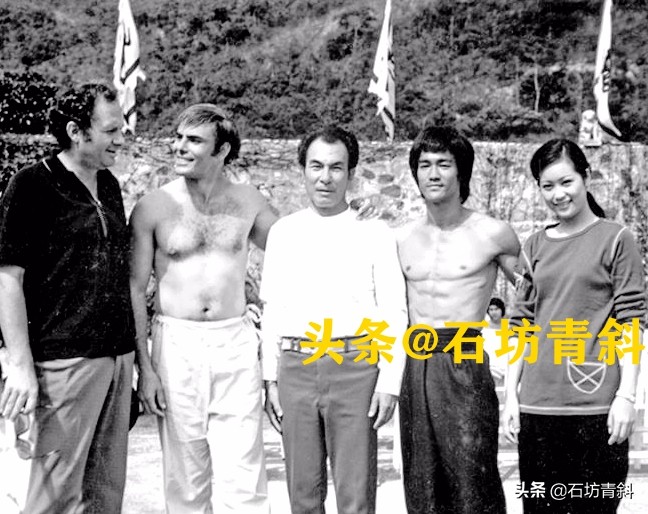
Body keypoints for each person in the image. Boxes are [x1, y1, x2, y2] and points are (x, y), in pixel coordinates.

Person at [129, 103, 276, 513]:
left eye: (193, 140)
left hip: (234, 344)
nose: (179, 147)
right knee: (186, 480)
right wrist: (146, 368)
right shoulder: (153, 207)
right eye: (178, 137)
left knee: (245, 476)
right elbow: (135, 288)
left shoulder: (249, 201)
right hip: (177, 344)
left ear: (222, 150)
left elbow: (292, 253)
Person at [0, 82, 136, 514]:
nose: (121, 138)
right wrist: (20, 365)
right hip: (63, 362)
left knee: (104, 495)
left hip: (116, 358)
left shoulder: (109, 185)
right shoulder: (31, 184)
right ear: (77, 131)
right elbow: (7, 279)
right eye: (111, 130)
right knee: (55, 498)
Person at [261, 125, 408, 514]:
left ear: (351, 173)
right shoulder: (284, 232)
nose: (325, 177)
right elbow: (272, 307)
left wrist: (389, 381)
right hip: (296, 367)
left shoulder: (375, 231)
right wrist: (270, 379)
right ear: (303, 170)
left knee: (355, 495)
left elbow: (393, 310)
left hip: (355, 367)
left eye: (336, 167)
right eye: (316, 166)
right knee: (303, 494)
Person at [502, 139, 646, 514]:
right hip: (537, 410)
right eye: (547, 186)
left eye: (566, 182)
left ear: (586, 177)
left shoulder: (616, 239)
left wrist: (627, 396)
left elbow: (631, 321)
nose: (558, 194)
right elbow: (521, 325)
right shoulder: (533, 246)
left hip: (597, 407)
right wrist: (511, 396)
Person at [397, 125, 520, 514]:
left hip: (465, 358)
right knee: (422, 480)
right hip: (416, 362)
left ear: (461, 171)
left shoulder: (493, 233)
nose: (433, 174)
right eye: (425, 165)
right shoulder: (400, 238)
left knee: (473, 478)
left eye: (444, 164)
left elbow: (535, 295)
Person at [484, 297, 508, 381]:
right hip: (489, 368)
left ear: (502, 310)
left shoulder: (509, 327)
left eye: (496, 309)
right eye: (491, 309)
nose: (494, 312)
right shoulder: (483, 328)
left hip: (506, 368)